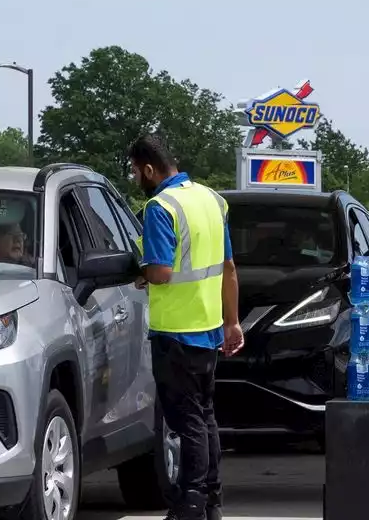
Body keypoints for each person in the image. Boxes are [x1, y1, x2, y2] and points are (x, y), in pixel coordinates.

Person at [128, 134, 242, 520]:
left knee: (187, 421)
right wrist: (232, 322)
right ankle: (211, 502)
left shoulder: (160, 207)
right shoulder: (212, 200)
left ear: (148, 168)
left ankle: (190, 504)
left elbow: (160, 272)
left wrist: (139, 269)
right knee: (205, 416)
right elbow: (228, 269)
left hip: (176, 333)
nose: (135, 179)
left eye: (134, 172)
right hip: (208, 330)